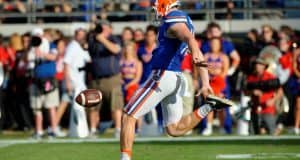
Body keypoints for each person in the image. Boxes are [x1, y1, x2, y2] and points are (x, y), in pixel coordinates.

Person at [120, 1, 233, 160]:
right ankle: (208, 107)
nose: (154, 6)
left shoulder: (173, 18)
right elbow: (193, 44)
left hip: (163, 75)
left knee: (128, 115)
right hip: (176, 78)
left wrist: (204, 78)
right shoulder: (183, 19)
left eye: (157, 3)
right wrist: (205, 82)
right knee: (174, 129)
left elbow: (191, 41)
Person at [88, 20, 124, 138]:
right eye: (100, 27)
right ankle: (93, 130)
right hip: (96, 78)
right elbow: (87, 48)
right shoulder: (93, 40)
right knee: (94, 106)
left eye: (104, 27)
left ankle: (118, 129)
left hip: (112, 78)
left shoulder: (115, 38)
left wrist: (102, 39)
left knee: (116, 105)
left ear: (110, 29)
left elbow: (116, 50)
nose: (101, 30)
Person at [27, 28, 60, 139]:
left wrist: (41, 53)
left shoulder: (50, 45)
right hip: (35, 81)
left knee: (51, 106)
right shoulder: (31, 47)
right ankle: (39, 131)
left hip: (48, 80)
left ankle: (54, 130)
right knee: (37, 107)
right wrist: (31, 50)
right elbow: (26, 60)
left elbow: (54, 57)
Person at [64, 28, 91, 138]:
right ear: (75, 35)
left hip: (80, 82)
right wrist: (68, 82)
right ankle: (54, 127)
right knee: (67, 103)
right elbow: (66, 63)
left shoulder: (81, 47)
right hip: (73, 81)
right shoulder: (72, 46)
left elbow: (89, 60)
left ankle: (82, 129)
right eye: (80, 35)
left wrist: (86, 49)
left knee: (80, 107)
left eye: (83, 35)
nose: (82, 37)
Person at [202, 37, 229, 136]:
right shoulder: (206, 56)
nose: (214, 46)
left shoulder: (223, 57)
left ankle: (222, 127)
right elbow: (202, 69)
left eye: (216, 44)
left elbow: (225, 71)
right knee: (210, 105)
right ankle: (208, 127)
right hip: (209, 83)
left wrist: (216, 75)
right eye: (212, 44)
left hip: (220, 83)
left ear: (220, 45)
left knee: (220, 106)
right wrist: (210, 73)